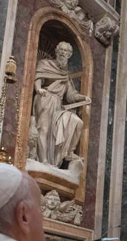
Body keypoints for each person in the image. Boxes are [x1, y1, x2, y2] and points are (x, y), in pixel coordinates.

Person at [33, 41, 88, 169]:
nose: (64, 53)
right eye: (62, 50)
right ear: (57, 51)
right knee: (44, 129)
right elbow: (38, 78)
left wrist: (83, 97)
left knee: (77, 122)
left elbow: (70, 95)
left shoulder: (66, 75)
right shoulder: (45, 64)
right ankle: (44, 161)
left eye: (67, 52)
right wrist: (39, 89)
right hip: (45, 97)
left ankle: (68, 152)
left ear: (69, 55)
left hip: (58, 105)